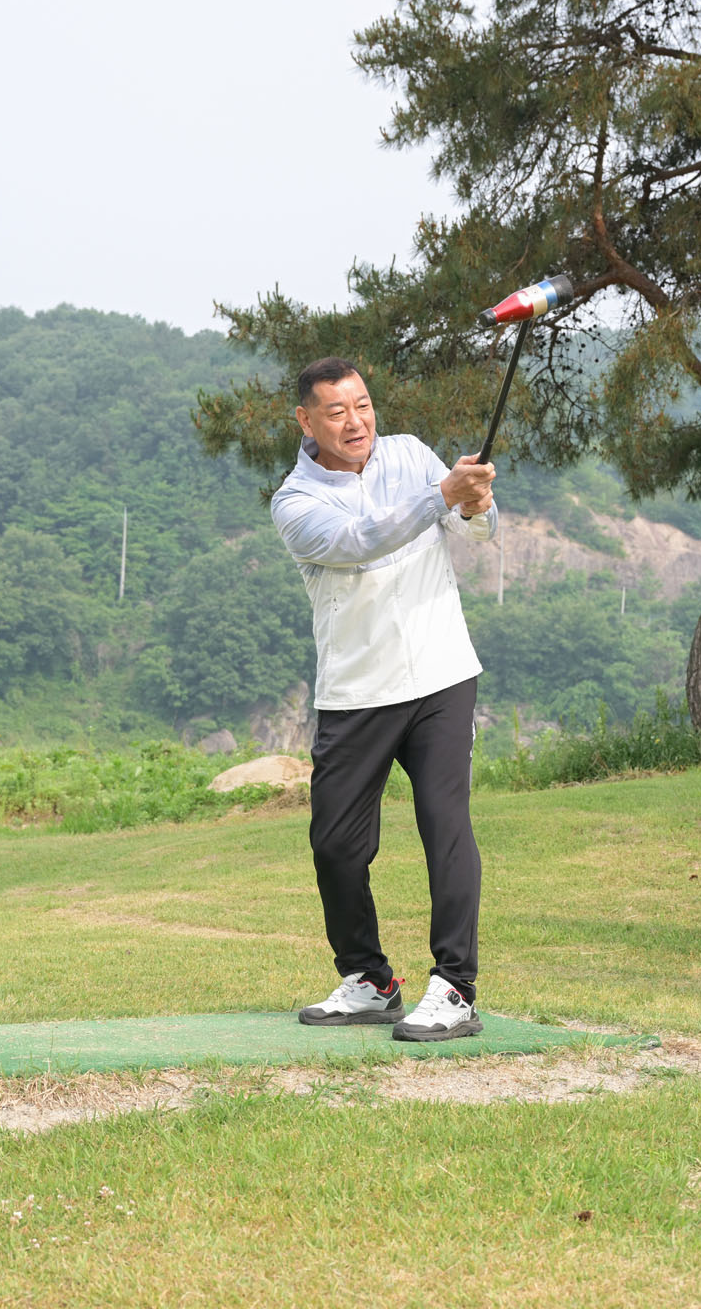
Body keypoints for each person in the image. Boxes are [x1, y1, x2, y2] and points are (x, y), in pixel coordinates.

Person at [270, 357, 497, 1042]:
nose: (356, 422)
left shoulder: (410, 455)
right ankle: (370, 980)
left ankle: (455, 988)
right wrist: (442, 495)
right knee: (336, 847)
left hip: (440, 673)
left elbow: (476, 531)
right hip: (358, 691)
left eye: (363, 405)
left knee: (444, 825)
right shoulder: (294, 502)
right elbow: (360, 542)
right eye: (336, 411)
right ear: (306, 421)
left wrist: (474, 505)